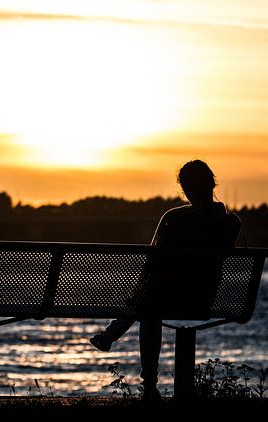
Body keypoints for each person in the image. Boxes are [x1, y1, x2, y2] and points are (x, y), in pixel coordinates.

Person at [89, 160, 241, 399]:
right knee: (151, 303)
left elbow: (153, 262)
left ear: (185, 189)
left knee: (148, 307)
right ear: (212, 183)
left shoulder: (174, 218)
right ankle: (111, 335)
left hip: (165, 297)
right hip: (202, 299)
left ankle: (146, 381)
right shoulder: (232, 222)